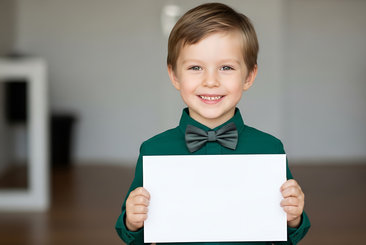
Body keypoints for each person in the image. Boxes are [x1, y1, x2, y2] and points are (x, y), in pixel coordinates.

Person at [115, 3, 310, 244]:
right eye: (195, 67)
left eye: (226, 67)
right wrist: (132, 222)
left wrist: (294, 218)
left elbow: (286, 234)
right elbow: (134, 234)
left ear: (248, 76)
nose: (210, 81)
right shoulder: (153, 150)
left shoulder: (270, 148)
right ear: (175, 75)